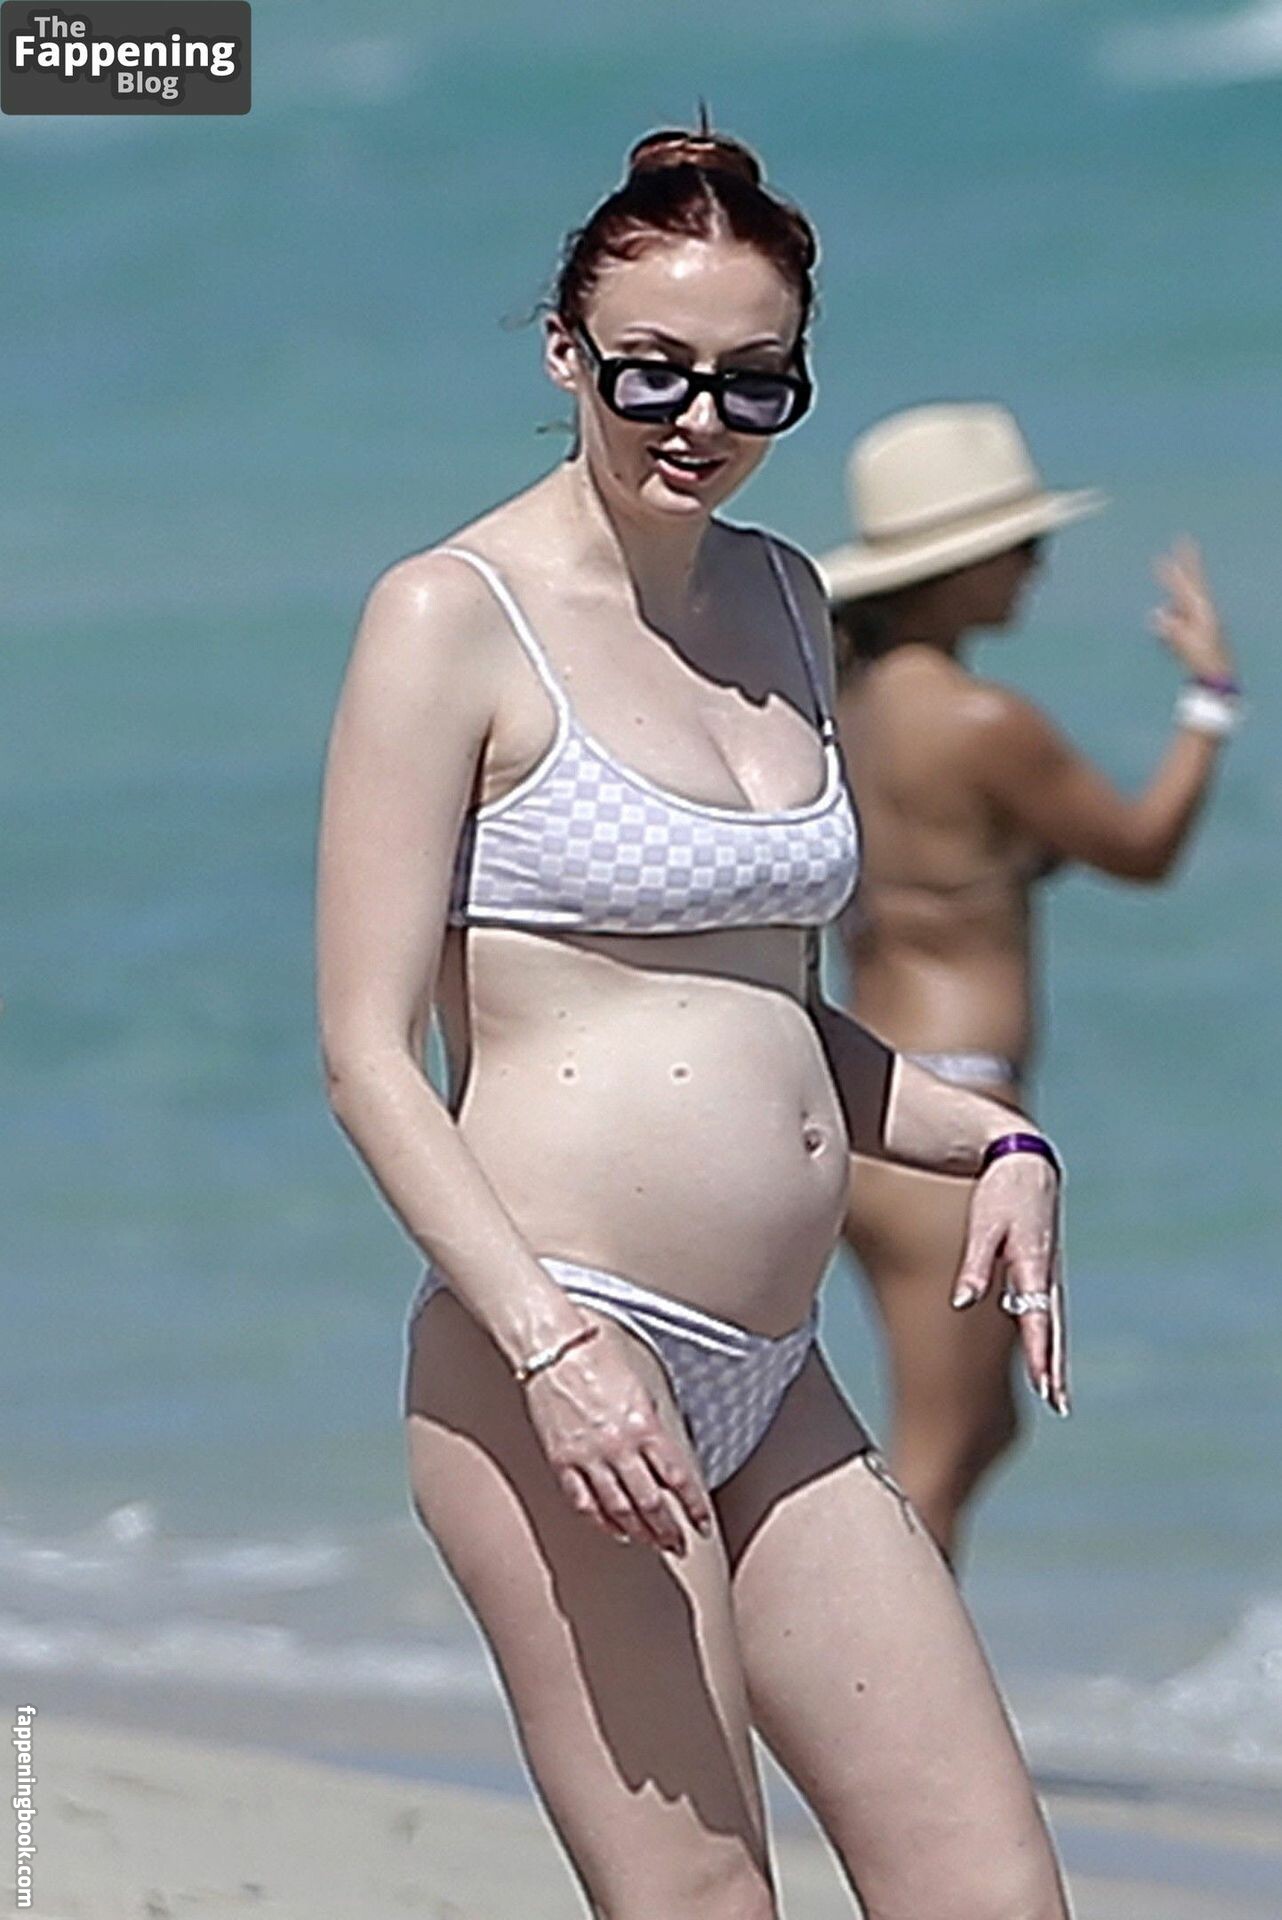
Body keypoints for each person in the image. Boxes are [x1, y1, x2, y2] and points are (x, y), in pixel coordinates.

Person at [317, 129, 1075, 1920]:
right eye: (651, 371)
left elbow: (772, 1021)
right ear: (563, 352)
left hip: (775, 1368)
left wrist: (999, 1139)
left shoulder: (788, 601)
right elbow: (364, 1054)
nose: (699, 419)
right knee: (706, 1901)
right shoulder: (448, 617)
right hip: (559, 1355)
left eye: (753, 381)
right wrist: (550, 1349)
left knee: (990, 1892)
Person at [819, 403, 1241, 1566]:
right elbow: (1142, 850)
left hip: (870, 1105)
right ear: (949, 570)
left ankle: (874, 1659)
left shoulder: (847, 714)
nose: (1036, 568)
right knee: (939, 1449)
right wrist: (1210, 694)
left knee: (974, 1429)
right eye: (1019, 546)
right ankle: (873, 1676)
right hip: (958, 1114)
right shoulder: (981, 722)